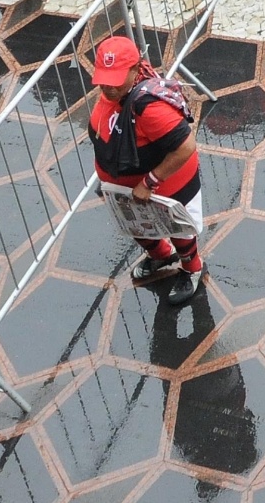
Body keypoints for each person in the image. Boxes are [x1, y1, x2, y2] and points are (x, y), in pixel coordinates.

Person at [87, 36, 209, 306]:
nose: (108, 86)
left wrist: (150, 182)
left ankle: (192, 268)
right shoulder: (114, 92)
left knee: (178, 229)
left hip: (165, 189)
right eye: (104, 78)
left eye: (116, 78)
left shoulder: (148, 107)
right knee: (136, 225)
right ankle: (161, 256)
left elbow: (185, 147)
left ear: (134, 69)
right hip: (126, 189)